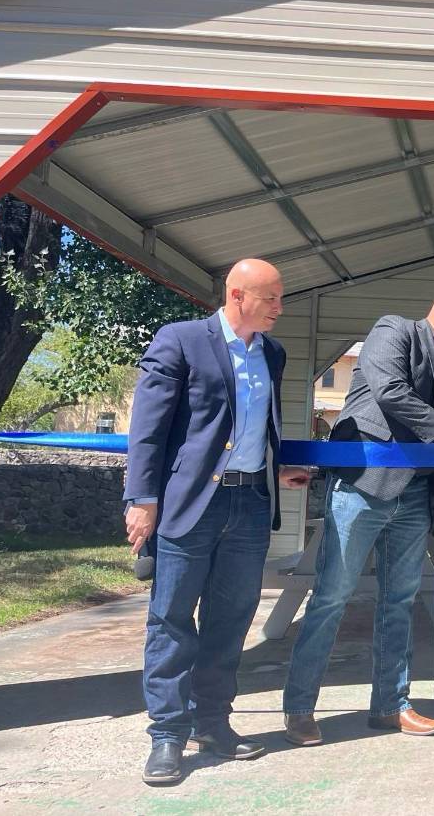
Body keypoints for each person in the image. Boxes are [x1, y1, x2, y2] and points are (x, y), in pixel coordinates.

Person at [123, 258, 310, 786]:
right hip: (189, 505)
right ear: (237, 295)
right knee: (172, 619)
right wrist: (142, 498)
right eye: (270, 297)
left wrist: (281, 465)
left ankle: (214, 725)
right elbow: (148, 429)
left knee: (230, 620)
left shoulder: (272, 352)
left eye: (279, 297)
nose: (279, 307)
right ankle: (167, 735)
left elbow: (259, 424)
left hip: (249, 504)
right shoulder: (181, 340)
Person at [282, 287, 434, 743]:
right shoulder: (393, 330)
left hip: (415, 497)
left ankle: (391, 706)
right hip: (362, 487)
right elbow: (390, 392)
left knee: (398, 603)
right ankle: (299, 707)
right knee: (332, 597)